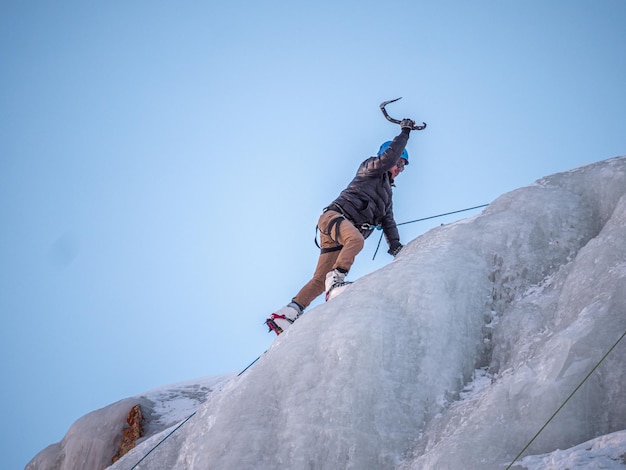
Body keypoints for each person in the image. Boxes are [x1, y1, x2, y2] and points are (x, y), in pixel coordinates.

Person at [265, 118, 416, 335]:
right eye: (400, 163)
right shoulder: (371, 167)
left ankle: (287, 314)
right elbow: (388, 158)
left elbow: (388, 221)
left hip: (340, 232)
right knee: (356, 240)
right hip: (334, 219)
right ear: (390, 156)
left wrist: (396, 247)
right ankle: (336, 283)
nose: (401, 168)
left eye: (404, 166)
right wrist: (405, 133)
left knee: (319, 280)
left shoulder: (387, 196)